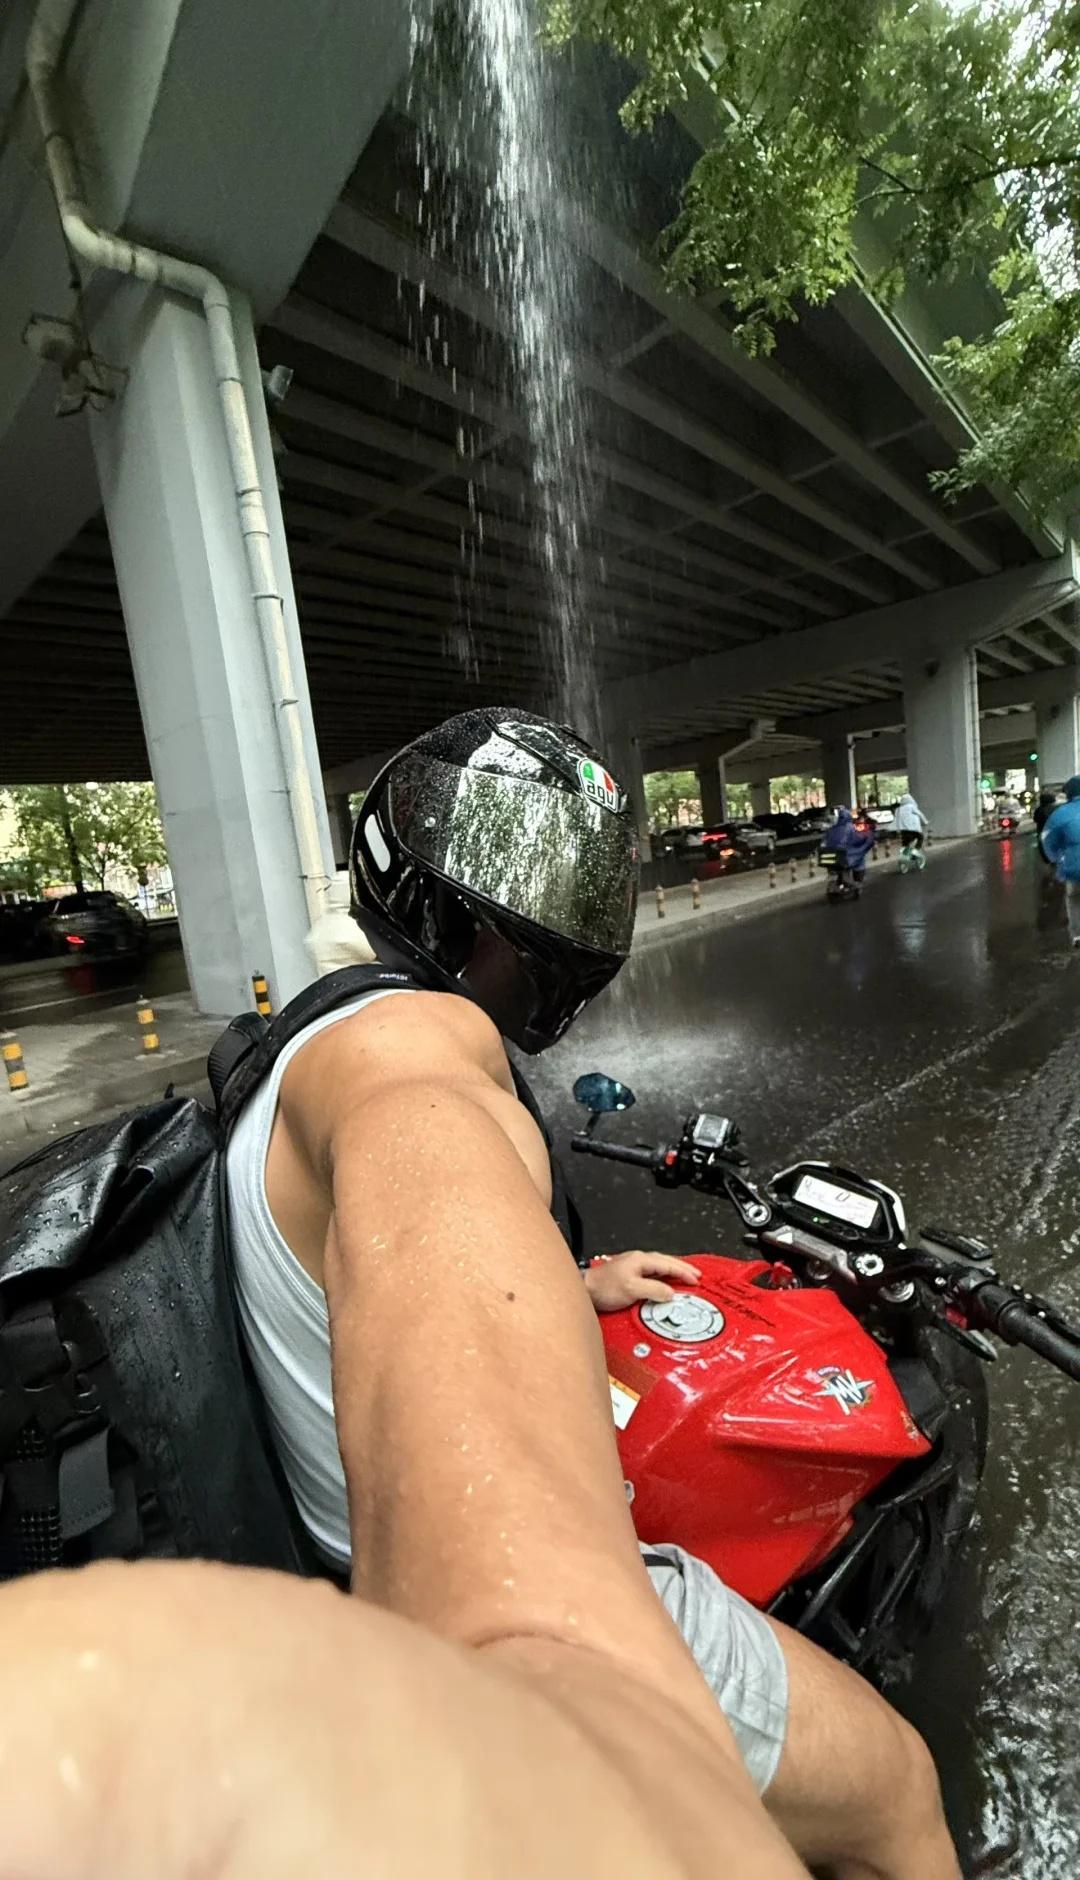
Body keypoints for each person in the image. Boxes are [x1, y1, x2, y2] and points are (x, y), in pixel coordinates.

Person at [225, 710, 957, 1878]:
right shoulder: (416, 1060)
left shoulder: (318, 1032)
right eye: (535, 893)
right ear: (451, 905)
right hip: (408, 1600)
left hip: (305, 1523)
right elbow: (498, 1608)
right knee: (895, 1789)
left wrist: (569, 1278)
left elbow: (395, 1248)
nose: (563, 928)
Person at [1039, 774, 1080, 949]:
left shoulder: (1060, 813)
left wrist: (1056, 858)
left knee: (1074, 899)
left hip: (1074, 867)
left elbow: (1047, 839)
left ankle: (1078, 936)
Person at [822, 805, 876, 896]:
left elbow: (824, 842)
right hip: (843, 856)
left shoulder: (832, 828)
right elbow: (857, 839)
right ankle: (857, 883)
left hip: (829, 856)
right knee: (859, 859)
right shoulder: (851, 827)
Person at [894, 792, 929, 871]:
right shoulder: (911, 807)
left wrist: (897, 830)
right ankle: (915, 850)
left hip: (903, 831)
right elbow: (920, 814)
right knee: (920, 837)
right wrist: (925, 822)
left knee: (905, 845)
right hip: (913, 831)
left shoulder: (898, 809)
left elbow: (896, 820)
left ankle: (904, 860)